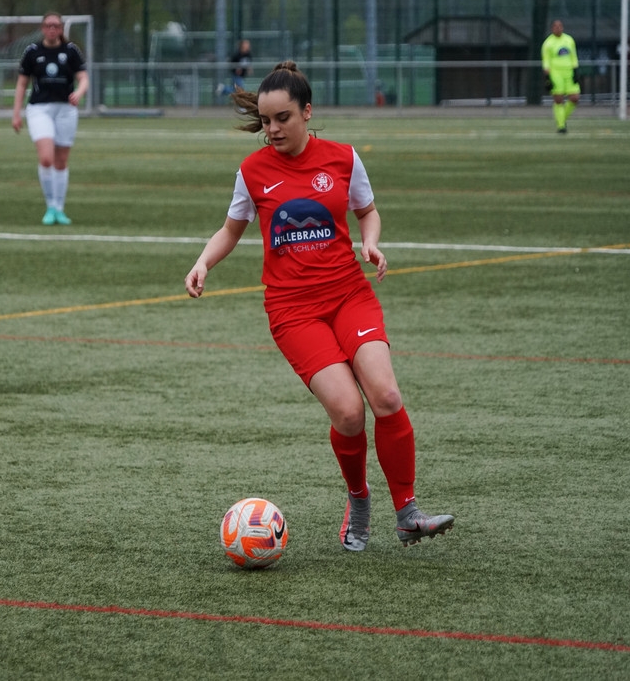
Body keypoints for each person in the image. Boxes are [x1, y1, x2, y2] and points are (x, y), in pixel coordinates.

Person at [184, 61, 454, 551]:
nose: (272, 129)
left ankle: (408, 513)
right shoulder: (252, 171)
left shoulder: (344, 159)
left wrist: (370, 243)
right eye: (266, 121)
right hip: (293, 311)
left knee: (386, 396)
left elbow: (367, 212)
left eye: (282, 118)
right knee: (349, 413)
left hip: (349, 294)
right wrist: (203, 263)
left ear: (307, 112)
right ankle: (359, 499)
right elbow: (230, 230)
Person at [11, 12, 89, 226]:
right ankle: (50, 206)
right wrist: (16, 113)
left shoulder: (70, 50)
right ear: (42, 28)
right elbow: (22, 84)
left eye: (56, 25)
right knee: (46, 158)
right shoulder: (32, 51)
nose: (52, 29)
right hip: (39, 109)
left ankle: (59, 209)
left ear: (61, 28)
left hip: (66, 110)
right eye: (48, 25)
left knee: (61, 160)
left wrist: (79, 92)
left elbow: (83, 78)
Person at [541, 19, 580, 133]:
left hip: (569, 72)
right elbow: (546, 60)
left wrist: (575, 70)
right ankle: (561, 126)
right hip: (555, 73)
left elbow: (573, 56)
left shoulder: (569, 40)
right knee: (558, 99)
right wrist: (547, 77)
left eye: (560, 26)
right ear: (552, 28)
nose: (558, 28)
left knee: (575, 98)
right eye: (556, 26)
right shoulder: (548, 43)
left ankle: (561, 118)